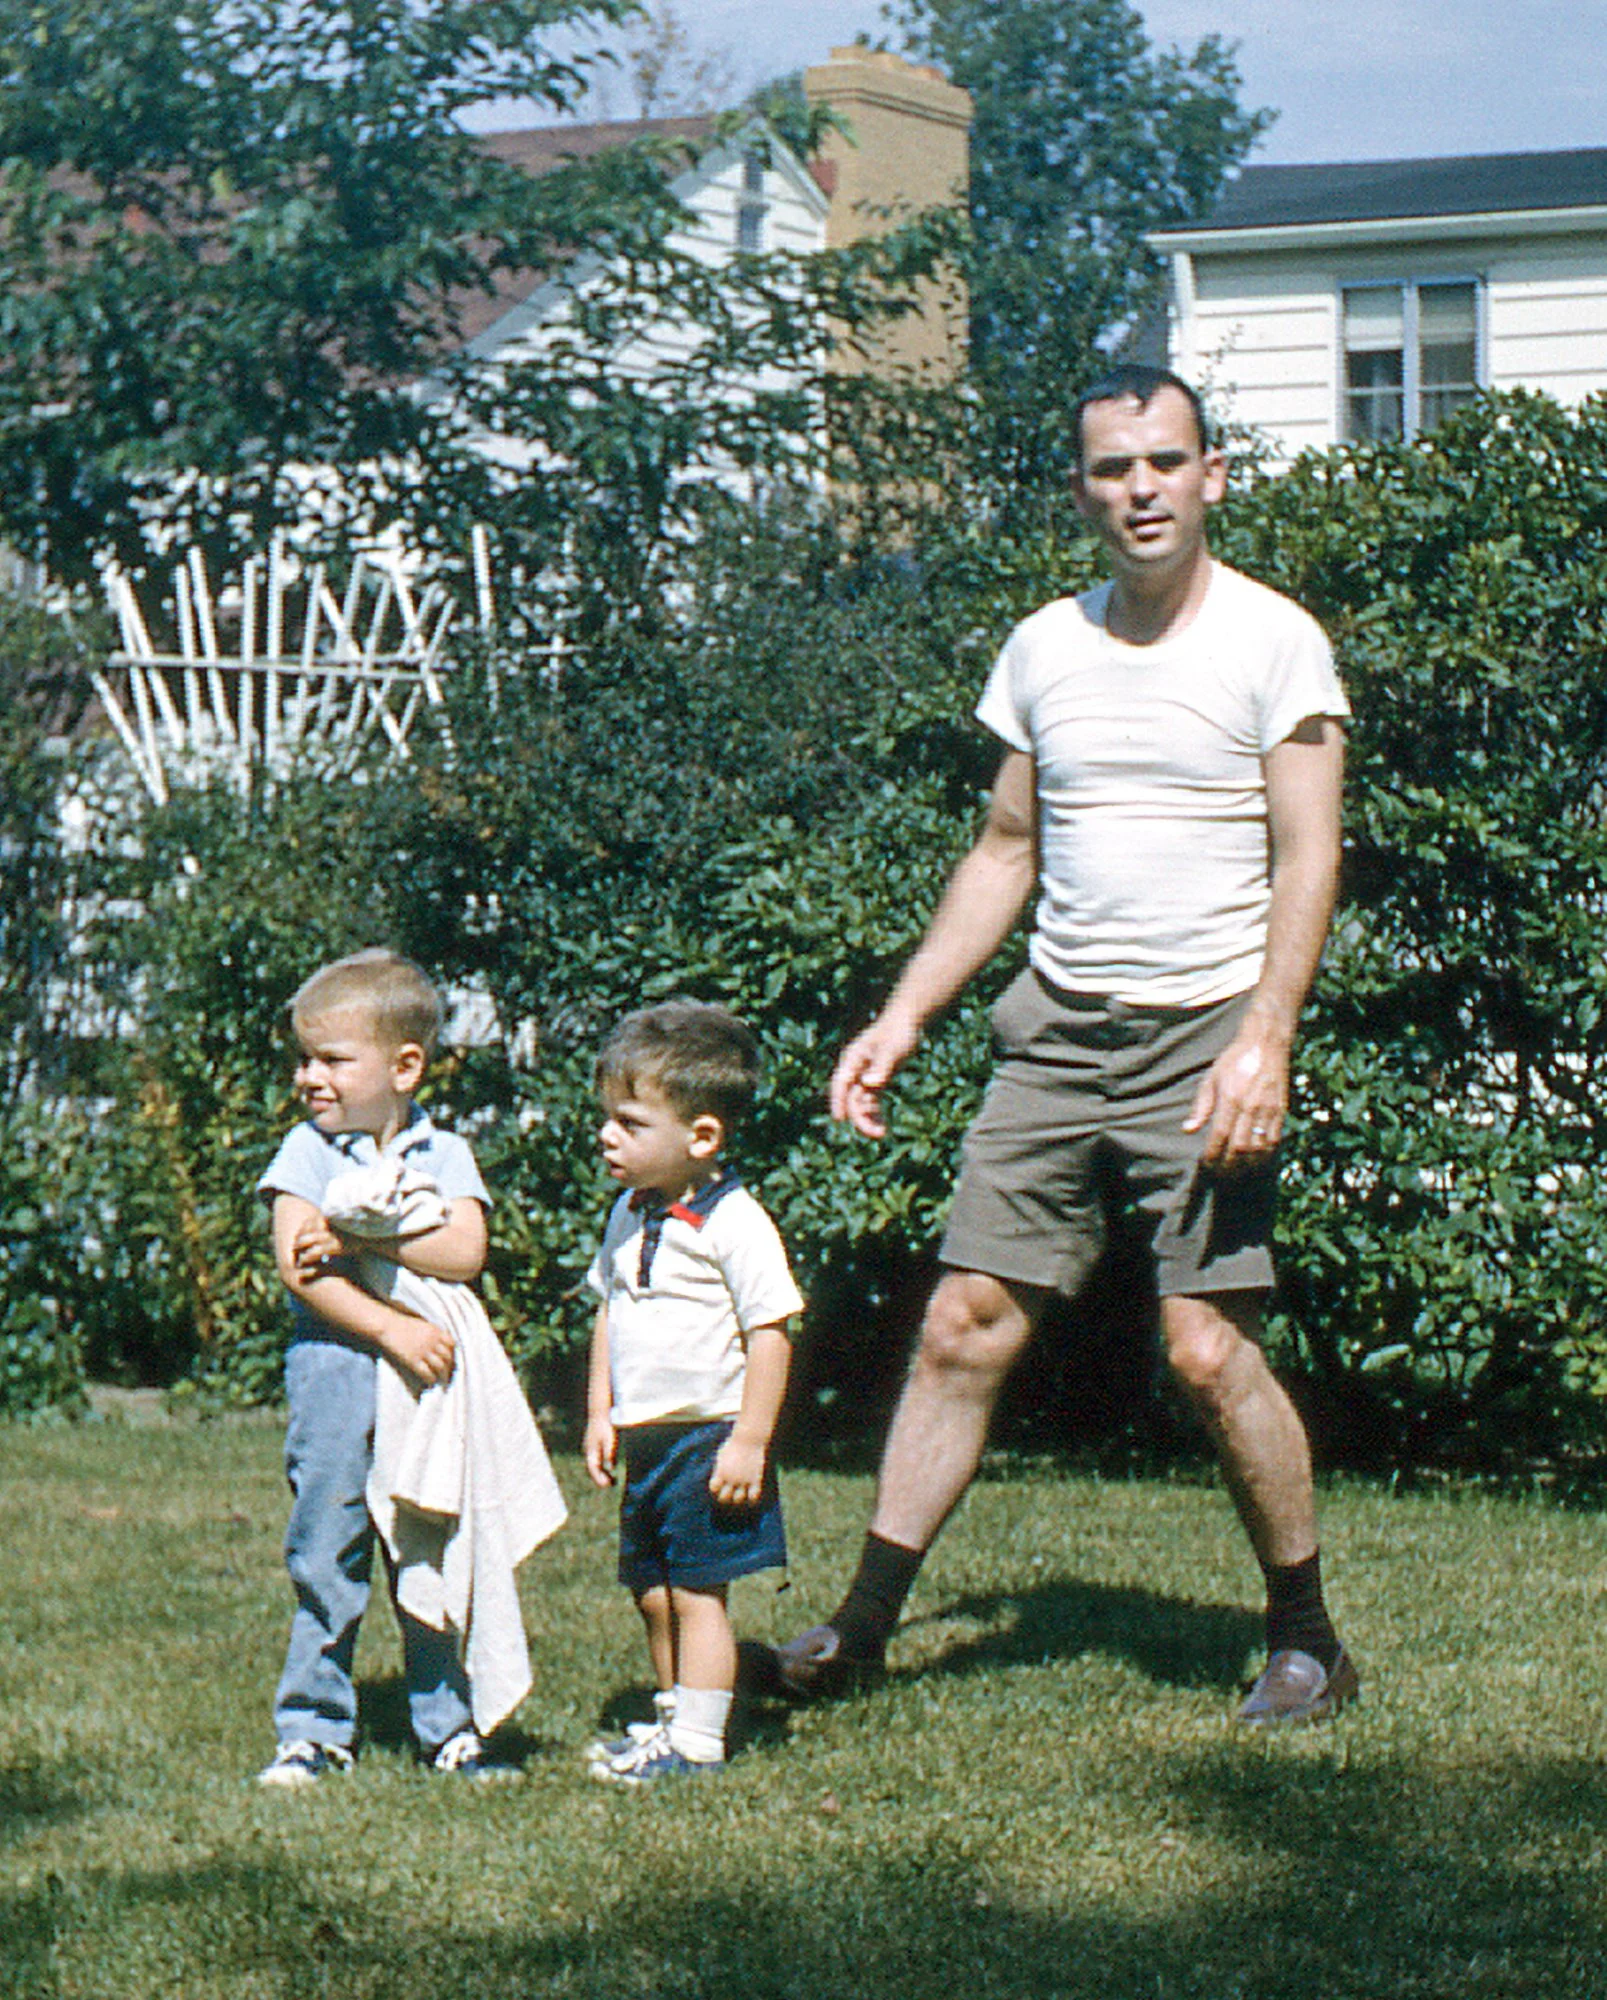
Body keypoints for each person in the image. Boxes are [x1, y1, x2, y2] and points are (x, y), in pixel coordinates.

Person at [769, 363, 1357, 1726]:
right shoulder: (1043, 647)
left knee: (1206, 1350)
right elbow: (1005, 847)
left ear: (1209, 475)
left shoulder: (1276, 644)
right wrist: (901, 1015)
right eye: (1109, 469)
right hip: (1051, 1033)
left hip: (1207, 1030)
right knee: (962, 1326)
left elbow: (1307, 851)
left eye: (1162, 462)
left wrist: (1263, 1037)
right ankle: (854, 1633)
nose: (1137, 489)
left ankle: (1307, 1640)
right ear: (1081, 489)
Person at [256, 948, 508, 1785]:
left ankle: (447, 1724)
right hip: (334, 1369)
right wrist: (390, 1330)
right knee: (327, 1548)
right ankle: (313, 1728)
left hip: (425, 1387)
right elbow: (301, 1267)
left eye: (331, 1059)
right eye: (304, 1059)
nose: (309, 1078)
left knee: (424, 1542)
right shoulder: (307, 1153)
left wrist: (364, 1233)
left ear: (404, 1067)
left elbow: (465, 1249)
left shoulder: (443, 1154)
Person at [584, 1001, 803, 1783]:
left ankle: (700, 1744)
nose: (607, 1135)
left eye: (630, 1123)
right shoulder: (628, 1212)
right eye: (607, 1118)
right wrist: (599, 1412)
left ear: (701, 1136)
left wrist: (750, 1439)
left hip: (709, 1438)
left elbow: (770, 1332)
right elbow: (611, 1307)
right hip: (647, 1437)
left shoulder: (735, 1224)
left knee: (698, 1593)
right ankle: (670, 1719)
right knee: (652, 1590)